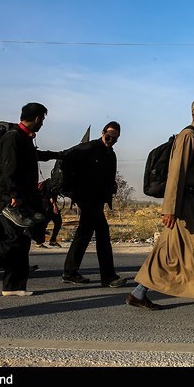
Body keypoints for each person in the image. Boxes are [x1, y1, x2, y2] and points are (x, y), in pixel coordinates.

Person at [127, 98, 194, 321]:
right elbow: (177, 174)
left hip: (192, 201)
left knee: (166, 252)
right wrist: (169, 209)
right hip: (186, 205)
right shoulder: (189, 136)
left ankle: (138, 294)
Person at [0, 103, 63, 297]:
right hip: (7, 198)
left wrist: (58, 155)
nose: (42, 124)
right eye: (43, 120)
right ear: (37, 118)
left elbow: (34, 156)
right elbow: (8, 168)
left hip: (19, 196)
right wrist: (14, 195)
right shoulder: (13, 137)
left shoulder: (24, 138)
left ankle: (13, 286)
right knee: (13, 238)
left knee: (22, 240)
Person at [61, 121, 127, 288]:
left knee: (83, 235)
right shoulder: (89, 148)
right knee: (103, 236)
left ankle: (69, 272)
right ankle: (108, 276)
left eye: (115, 139)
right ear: (103, 132)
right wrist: (69, 187)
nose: (111, 140)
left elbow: (109, 176)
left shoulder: (111, 154)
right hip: (86, 198)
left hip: (98, 200)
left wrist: (112, 187)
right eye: (109, 136)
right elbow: (67, 159)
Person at [31, 178, 63, 248]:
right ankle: (39, 242)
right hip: (47, 207)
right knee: (44, 224)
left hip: (47, 206)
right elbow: (51, 197)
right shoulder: (52, 183)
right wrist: (55, 206)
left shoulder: (53, 182)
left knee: (56, 222)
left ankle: (52, 240)